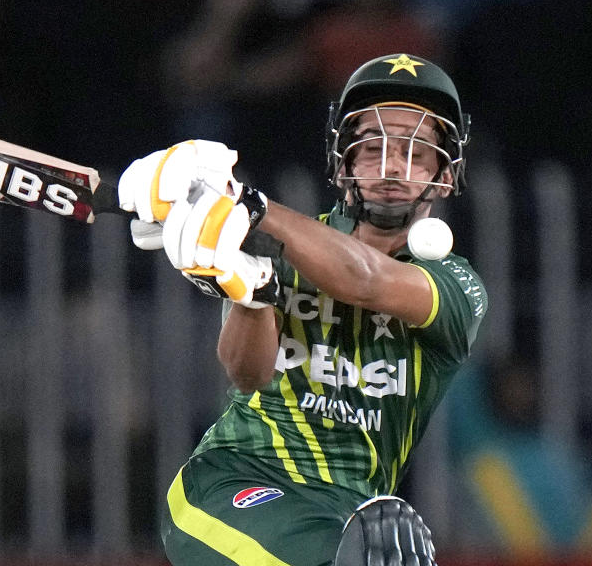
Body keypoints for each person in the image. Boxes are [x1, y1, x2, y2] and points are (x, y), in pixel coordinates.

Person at [118, 53, 488, 565]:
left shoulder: (457, 285)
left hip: (348, 513)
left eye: (415, 150)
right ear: (343, 163)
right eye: (372, 147)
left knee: (386, 546)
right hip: (237, 482)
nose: (391, 167)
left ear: (445, 172)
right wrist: (254, 293)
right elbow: (247, 375)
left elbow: (365, 279)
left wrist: (248, 206)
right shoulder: (284, 243)